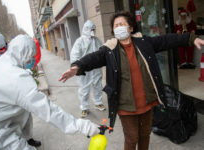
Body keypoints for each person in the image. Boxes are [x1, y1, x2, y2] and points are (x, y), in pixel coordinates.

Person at [59, 12, 204, 150]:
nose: (118, 27)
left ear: (131, 28)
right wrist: (77, 67)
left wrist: (190, 38)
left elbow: (166, 40)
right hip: (125, 104)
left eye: (122, 24)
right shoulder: (110, 49)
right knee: (132, 137)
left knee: (145, 134)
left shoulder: (144, 42)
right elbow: (93, 58)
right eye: (116, 25)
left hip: (147, 101)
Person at [0, 35, 99, 150]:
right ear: (23, 54)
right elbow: (47, 110)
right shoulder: (17, 78)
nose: (31, 60)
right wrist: (82, 125)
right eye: (30, 57)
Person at [0, 33, 41, 147]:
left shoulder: (11, 50)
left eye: (2, 50)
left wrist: (25, 73)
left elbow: (19, 64)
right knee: (5, 122)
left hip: (14, 88)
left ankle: (28, 138)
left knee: (25, 114)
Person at [70, 20, 106, 118]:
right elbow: (75, 54)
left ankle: (98, 102)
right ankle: (84, 107)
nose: (93, 31)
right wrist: (76, 67)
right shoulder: (80, 41)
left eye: (94, 29)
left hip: (96, 68)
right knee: (84, 89)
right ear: (86, 29)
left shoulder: (97, 40)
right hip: (84, 69)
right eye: (91, 29)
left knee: (97, 86)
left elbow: (102, 51)